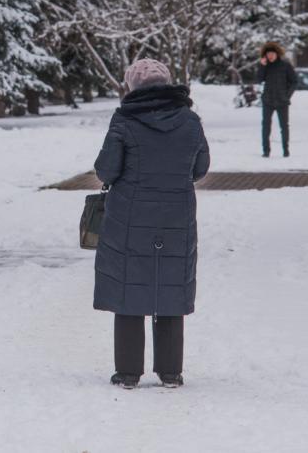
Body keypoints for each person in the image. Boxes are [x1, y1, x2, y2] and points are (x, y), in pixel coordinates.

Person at [92, 58, 210, 389]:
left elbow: (107, 170)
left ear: (131, 87)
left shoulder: (124, 120)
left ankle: (128, 373)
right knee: (170, 286)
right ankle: (171, 372)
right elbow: (200, 168)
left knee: (130, 288)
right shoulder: (190, 121)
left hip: (129, 217)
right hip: (177, 217)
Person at [256, 41, 297, 157]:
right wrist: (262, 66)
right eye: (268, 54)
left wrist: (287, 95)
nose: (270, 56)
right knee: (265, 127)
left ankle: (286, 150)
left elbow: (294, 82)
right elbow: (259, 79)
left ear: (277, 54)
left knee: (284, 126)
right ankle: (266, 151)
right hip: (268, 100)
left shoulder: (285, 65)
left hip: (282, 101)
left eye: (272, 53)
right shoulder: (264, 66)